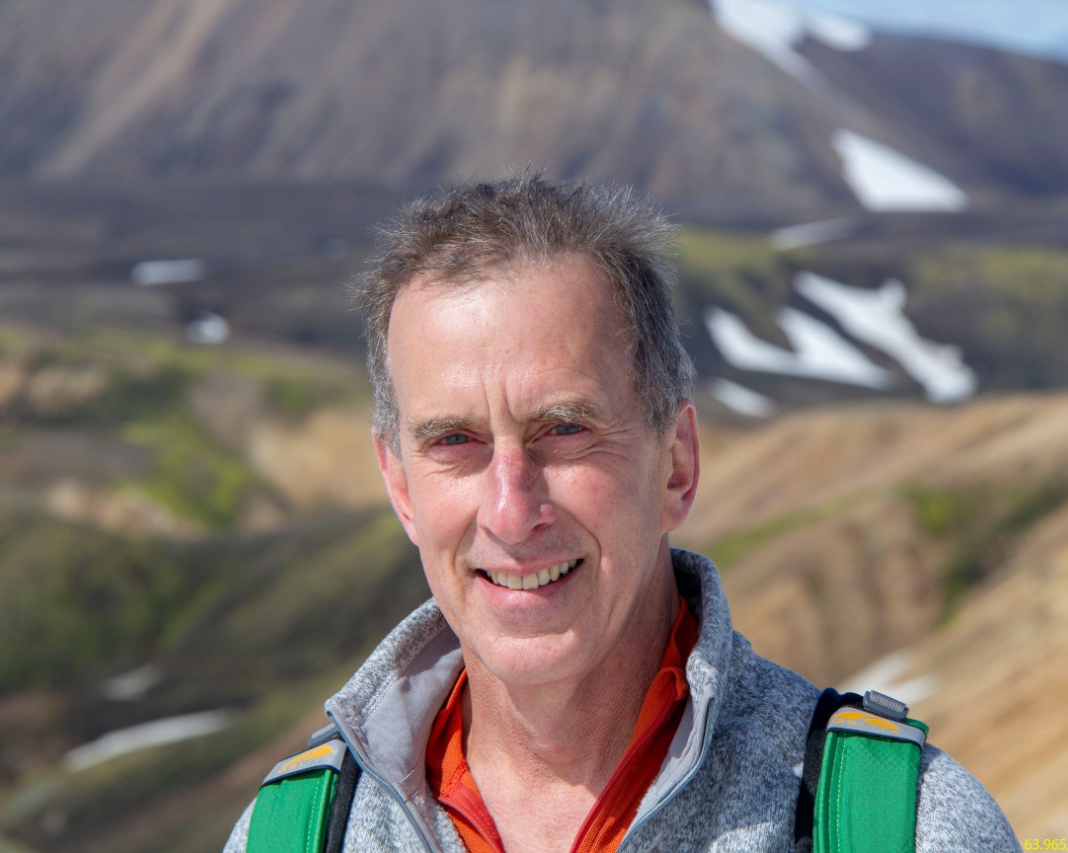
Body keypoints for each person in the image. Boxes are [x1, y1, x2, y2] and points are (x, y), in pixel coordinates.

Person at [225, 174, 1019, 851]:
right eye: (455, 441)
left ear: (676, 461)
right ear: (399, 485)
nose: (510, 509)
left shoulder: (902, 827)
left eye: (564, 429)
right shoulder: (289, 832)